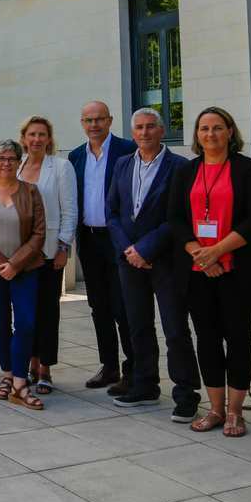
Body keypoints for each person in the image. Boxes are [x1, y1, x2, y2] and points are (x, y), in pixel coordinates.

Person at [168, 106, 251, 437]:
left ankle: (235, 412)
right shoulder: (186, 172)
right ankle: (214, 408)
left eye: (217, 127)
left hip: (239, 271)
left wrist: (216, 252)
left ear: (230, 131)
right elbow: (175, 218)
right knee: (208, 339)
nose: (210, 134)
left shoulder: (248, 169)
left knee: (238, 338)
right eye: (203, 129)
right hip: (198, 271)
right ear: (196, 136)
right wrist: (200, 254)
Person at [105, 108, 200, 422]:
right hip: (129, 260)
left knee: (175, 329)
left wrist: (146, 249)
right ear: (132, 134)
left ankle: (186, 394)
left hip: (167, 261)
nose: (144, 133)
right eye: (139, 128)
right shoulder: (121, 164)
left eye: (150, 127)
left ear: (162, 131)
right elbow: (113, 213)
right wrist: (129, 250)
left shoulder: (180, 167)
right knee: (138, 326)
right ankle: (145, 385)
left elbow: (178, 218)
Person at [0, 139, 47, 411]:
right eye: (1, 158)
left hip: (25, 270)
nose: (5, 163)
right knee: (0, 324)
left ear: (18, 162)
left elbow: (39, 234)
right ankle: (8, 375)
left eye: (11, 159)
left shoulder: (31, 192)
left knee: (25, 324)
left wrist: (14, 264)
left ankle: (19, 382)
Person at [69, 100, 136, 394]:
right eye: (88, 120)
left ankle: (133, 369)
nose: (94, 125)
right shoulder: (75, 157)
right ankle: (108, 366)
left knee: (124, 307)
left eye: (99, 119)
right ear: (82, 124)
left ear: (109, 121)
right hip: (89, 239)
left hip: (118, 240)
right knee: (99, 307)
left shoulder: (127, 150)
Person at [17, 116, 77, 394]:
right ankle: (30, 363)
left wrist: (64, 246)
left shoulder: (61, 167)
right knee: (25, 313)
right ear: (24, 139)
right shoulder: (16, 167)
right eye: (32, 134)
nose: (37, 139)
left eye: (42, 134)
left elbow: (70, 211)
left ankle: (45, 369)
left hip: (50, 251)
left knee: (47, 312)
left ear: (49, 139)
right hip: (20, 253)